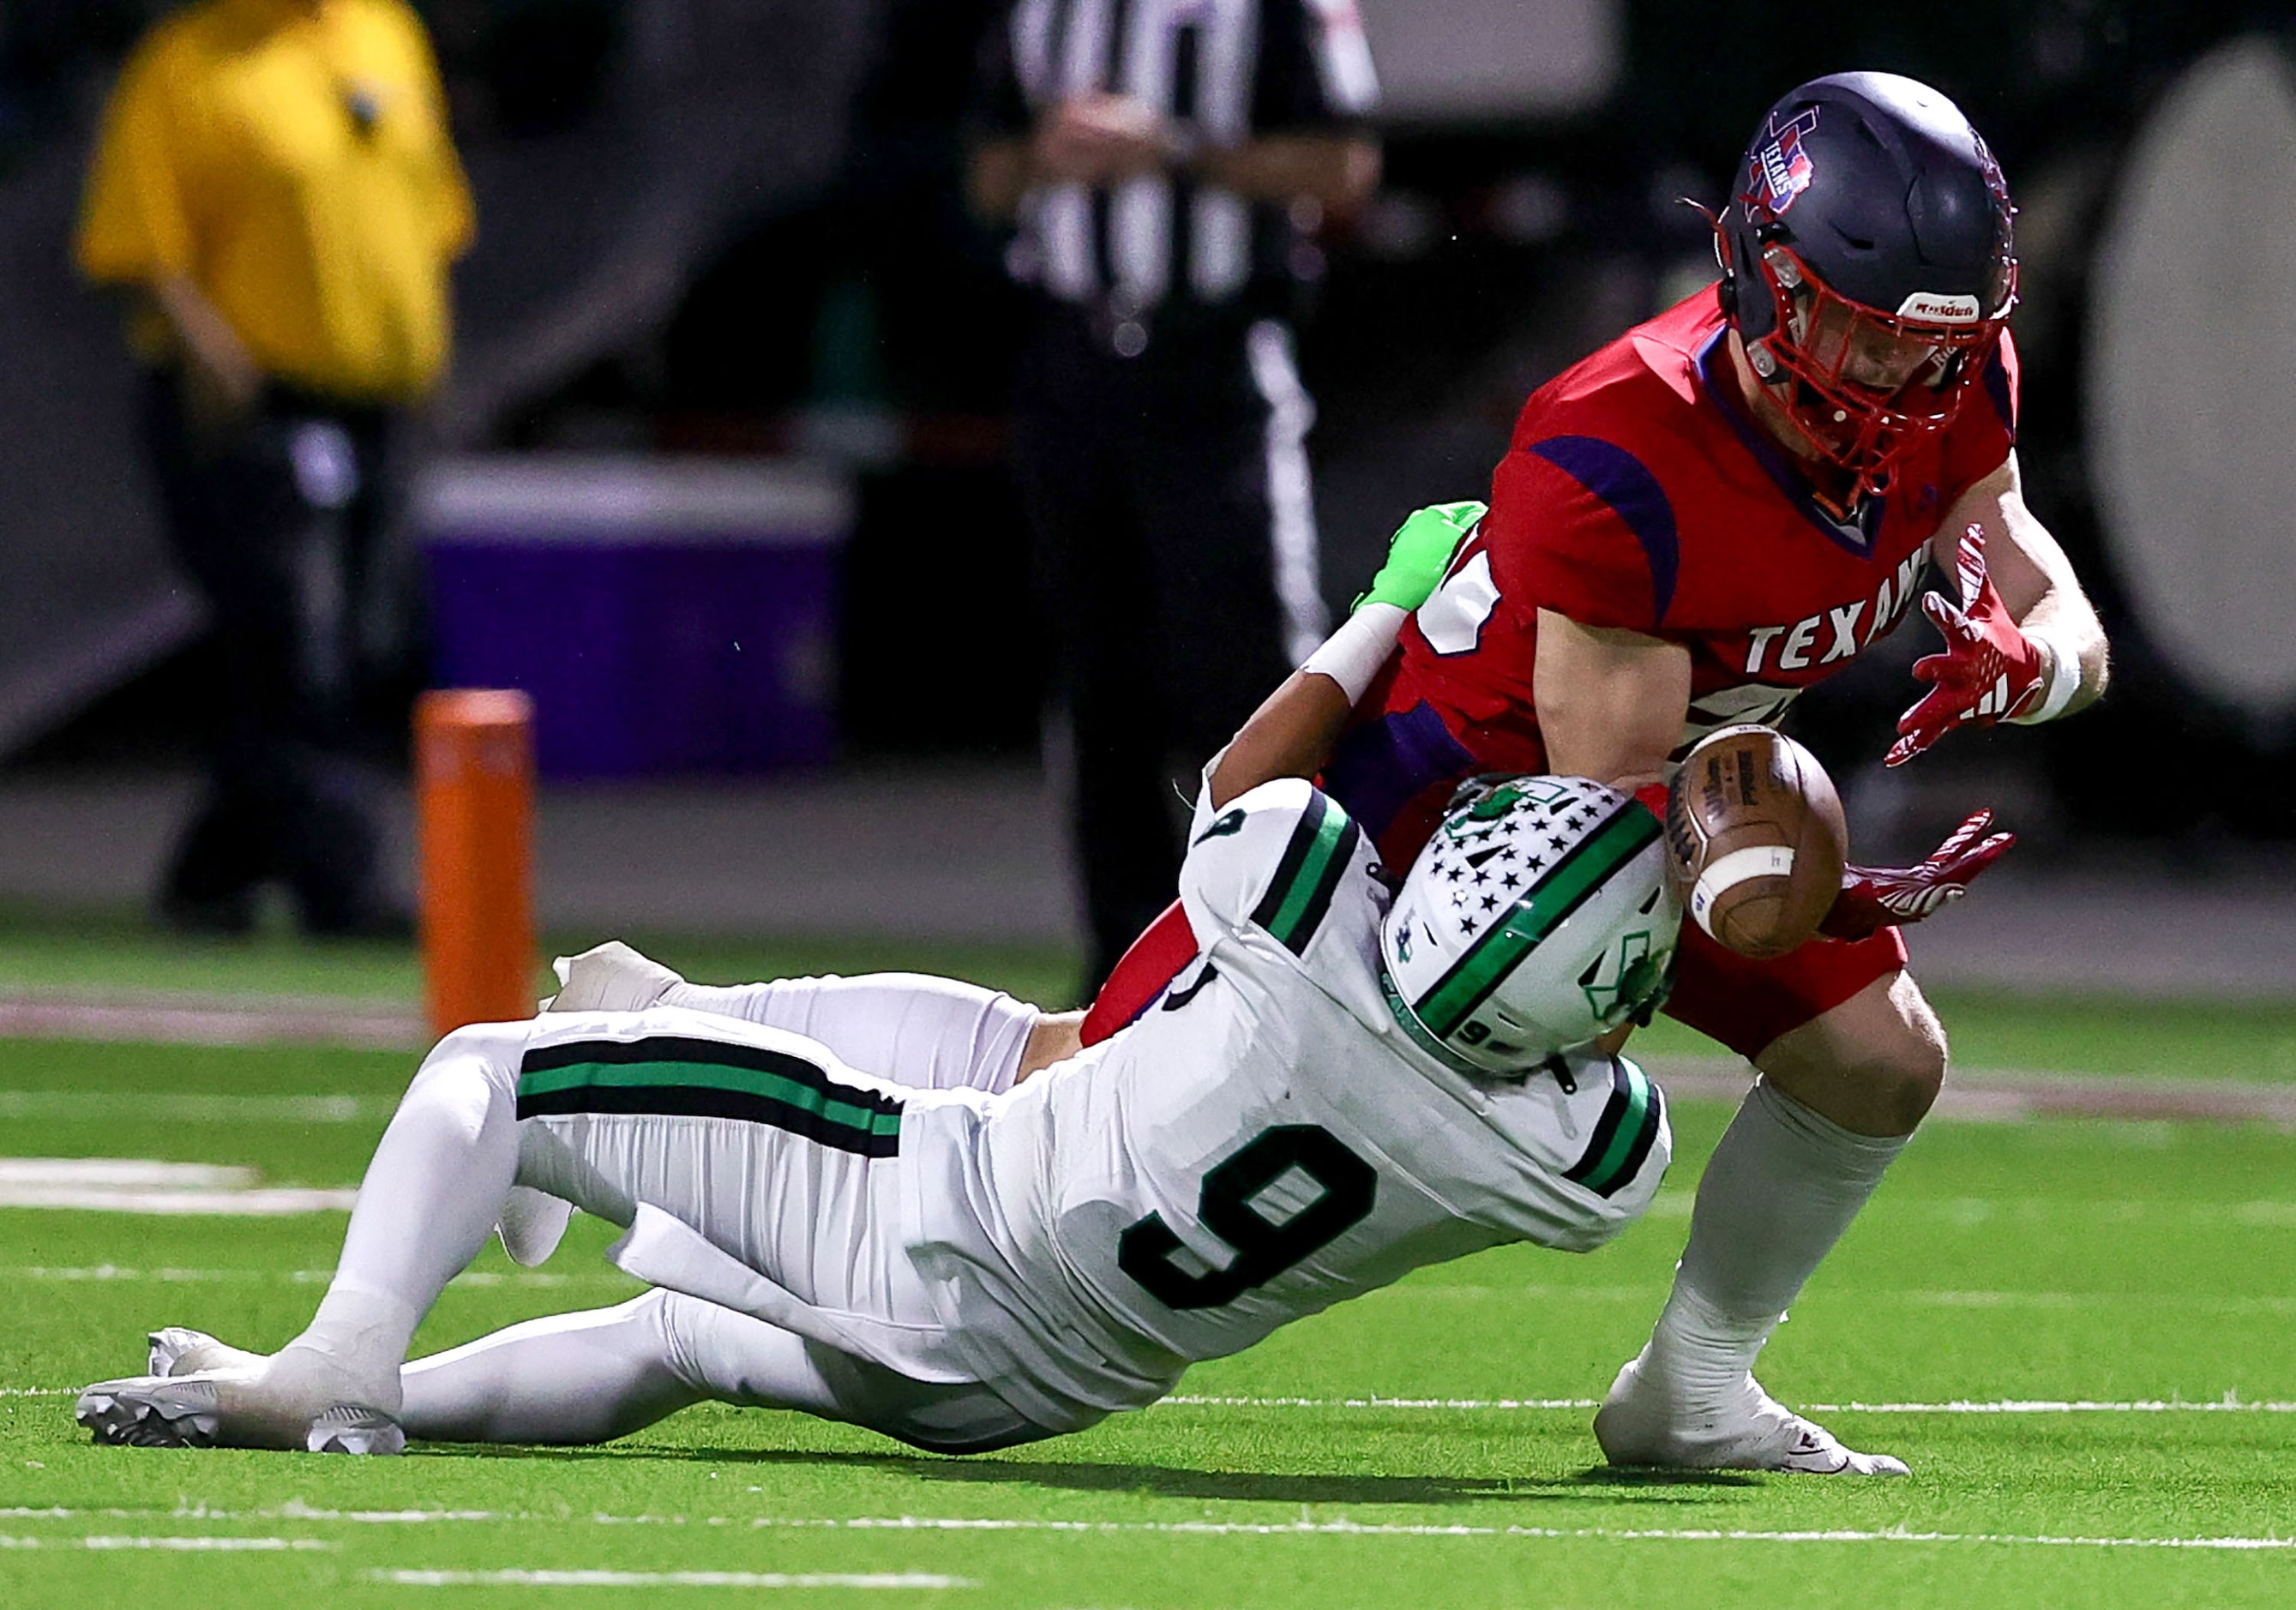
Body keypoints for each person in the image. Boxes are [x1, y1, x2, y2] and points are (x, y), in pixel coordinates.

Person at [74, 555, 1684, 1459]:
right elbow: (1593, 1043)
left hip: (940, 1213)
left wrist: (1385, 611)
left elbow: (1244, 782)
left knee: (489, 1066)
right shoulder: (1579, 1160)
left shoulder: (1299, 899)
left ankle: (339, 1358)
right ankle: (383, 1379)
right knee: (674, 1341)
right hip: (1042, 1383)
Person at [1084, 72, 2112, 1475]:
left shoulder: (1945, 378)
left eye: (1928, 350)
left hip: (1671, 805)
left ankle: (1688, 1391)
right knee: (1103, 1098)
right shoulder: (1622, 443)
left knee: (1877, 1062)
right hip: (1456, 812)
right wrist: (1801, 878)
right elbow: (1596, 839)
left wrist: (2035, 659)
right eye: (1856, 334)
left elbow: (2014, 551)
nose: (1892, 383)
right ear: (1761, 275)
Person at [968, 0, 1381, 988]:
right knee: (1095, 690)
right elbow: (986, 177)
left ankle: (1288, 955)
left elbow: (1343, 168)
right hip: (1072, 365)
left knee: (1254, 684)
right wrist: (1045, 155)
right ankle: (1122, 968)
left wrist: (1174, 151)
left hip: (1212, 366)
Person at [77, 0, 473, 935]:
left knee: (367, 647)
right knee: (299, 646)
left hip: (374, 408)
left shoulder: (382, 33)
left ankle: (213, 873)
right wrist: (214, 359)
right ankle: (343, 888)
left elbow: (433, 216)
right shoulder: (189, 63)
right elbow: (134, 242)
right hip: (255, 405)